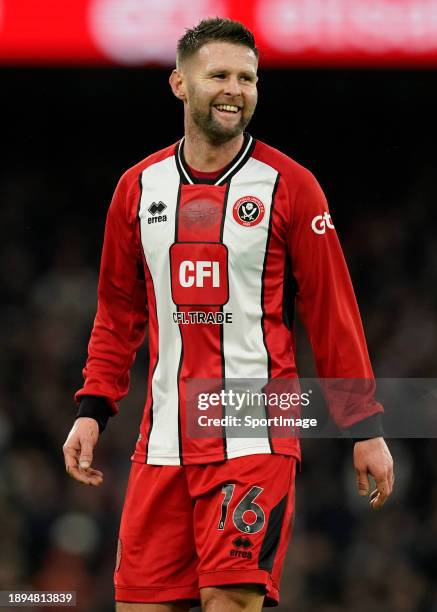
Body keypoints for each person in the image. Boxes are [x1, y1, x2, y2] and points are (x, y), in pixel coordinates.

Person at [63, 17, 394, 612]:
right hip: (163, 439)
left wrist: (363, 427)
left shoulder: (291, 186)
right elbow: (118, 312)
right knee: (139, 603)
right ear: (179, 84)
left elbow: (332, 311)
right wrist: (93, 409)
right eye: (218, 74)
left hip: (256, 429)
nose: (234, 89)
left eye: (247, 78)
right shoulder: (137, 188)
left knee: (231, 600)